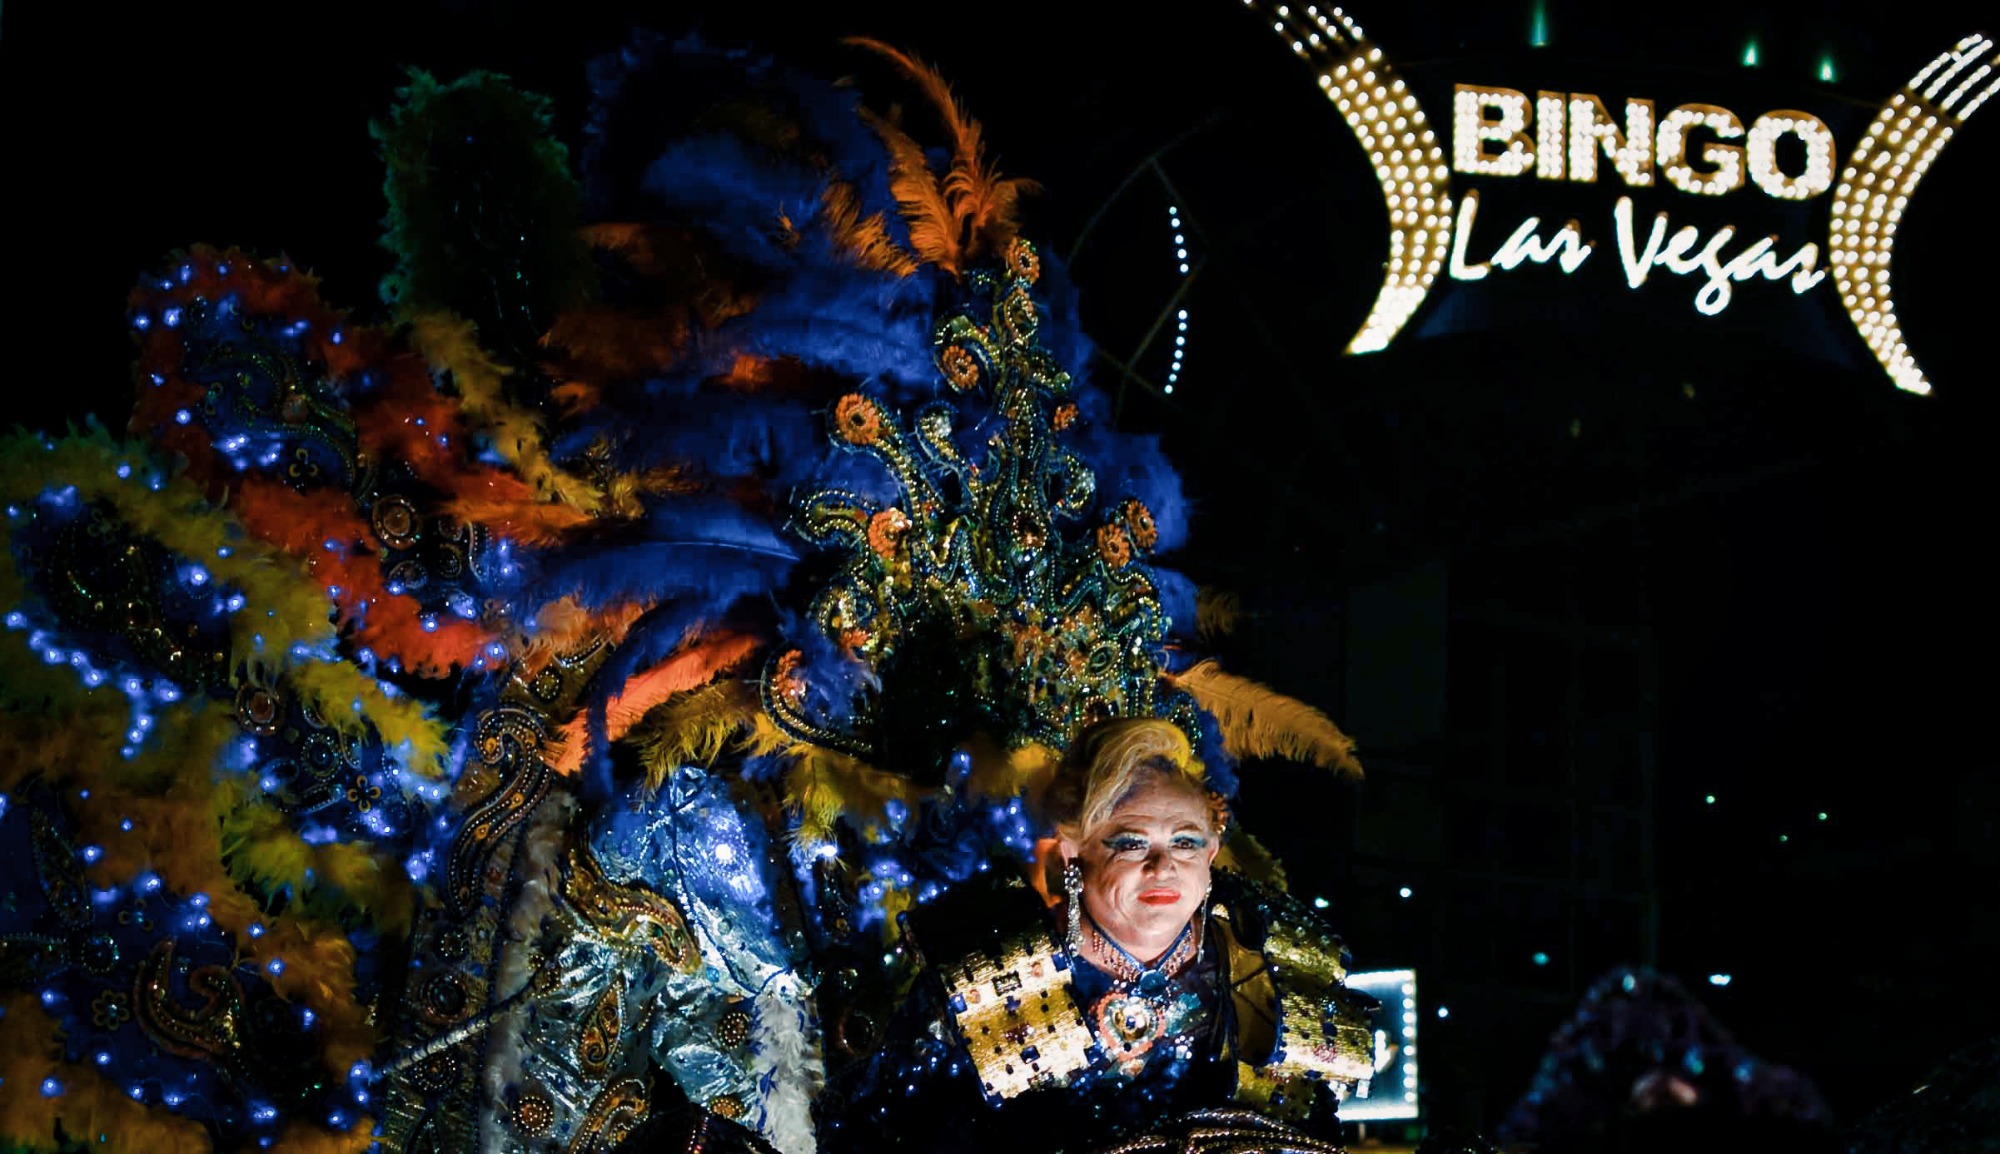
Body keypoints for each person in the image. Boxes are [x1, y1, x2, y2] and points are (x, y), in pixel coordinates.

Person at [813, 718, 1376, 1154]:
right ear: (1073, 853)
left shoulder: (1273, 962)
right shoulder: (982, 970)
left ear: (1211, 854)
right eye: (1130, 843)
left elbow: (1314, 1135)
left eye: (1185, 842)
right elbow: (883, 1134)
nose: (1163, 867)